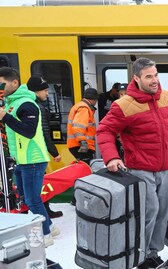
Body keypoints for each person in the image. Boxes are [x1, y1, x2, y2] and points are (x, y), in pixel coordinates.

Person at [96, 57, 168, 269]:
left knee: (162, 213)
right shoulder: (123, 105)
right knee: (148, 213)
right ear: (137, 78)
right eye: (148, 76)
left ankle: (152, 253)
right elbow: (104, 131)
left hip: (167, 169)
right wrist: (111, 157)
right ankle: (140, 258)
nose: (154, 80)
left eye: (156, 75)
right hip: (140, 169)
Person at [0, 67, 55, 247]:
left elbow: (29, 132)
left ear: (14, 83)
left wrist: (5, 117)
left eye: (2, 83)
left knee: (33, 200)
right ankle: (50, 226)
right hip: (21, 159)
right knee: (25, 198)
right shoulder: (11, 102)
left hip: (32, 159)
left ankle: (46, 234)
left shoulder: (26, 103)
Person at [26, 74, 63, 219]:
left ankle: (44, 210)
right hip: (36, 153)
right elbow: (44, 133)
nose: (47, 93)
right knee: (39, 185)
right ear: (36, 91)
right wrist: (55, 152)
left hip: (29, 153)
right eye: (45, 91)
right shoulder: (37, 108)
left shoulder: (28, 104)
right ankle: (45, 216)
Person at [67, 88, 98, 163]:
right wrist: (83, 142)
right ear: (93, 99)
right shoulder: (84, 108)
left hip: (77, 145)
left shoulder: (78, 106)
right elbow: (78, 126)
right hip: (81, 146)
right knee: (85, 169)